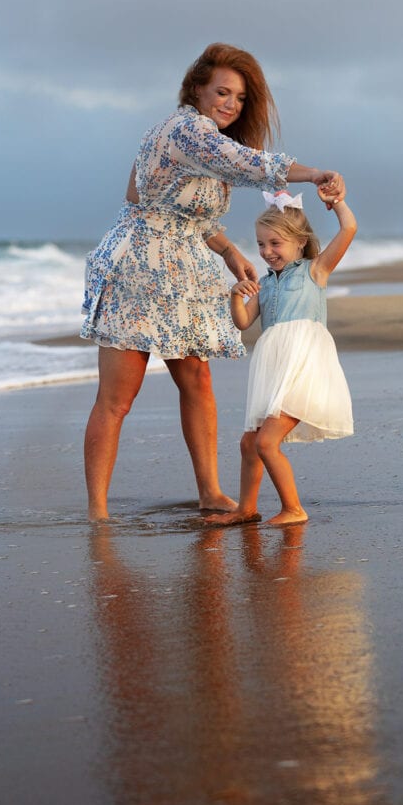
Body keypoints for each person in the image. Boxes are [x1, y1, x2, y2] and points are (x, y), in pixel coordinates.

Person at [80, 42, 344, 521]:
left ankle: (210, 492)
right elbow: (246, 166)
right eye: (223, 92)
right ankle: (97, 512)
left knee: (197, 379)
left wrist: (226, 249)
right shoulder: (187, 129)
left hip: (183, 272)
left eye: (240, 98)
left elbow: (158, 196)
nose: (231, 104)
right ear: (196, 89)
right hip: (140, 270)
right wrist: (315, 173)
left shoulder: (194, 136)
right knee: (119, 396)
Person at [206, 184, 357, 528]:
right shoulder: (266, 283)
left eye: (275, 243)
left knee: (267, 442)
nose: (267, 251)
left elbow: (348, 229)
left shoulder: (314, 271)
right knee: (250, 443)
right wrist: (235, 295)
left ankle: (294, 508)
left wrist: (338, 203)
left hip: (302, 368)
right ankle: (247, 508)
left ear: (300, 242)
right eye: (261, 244)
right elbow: (243, 322)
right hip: (273, 370)